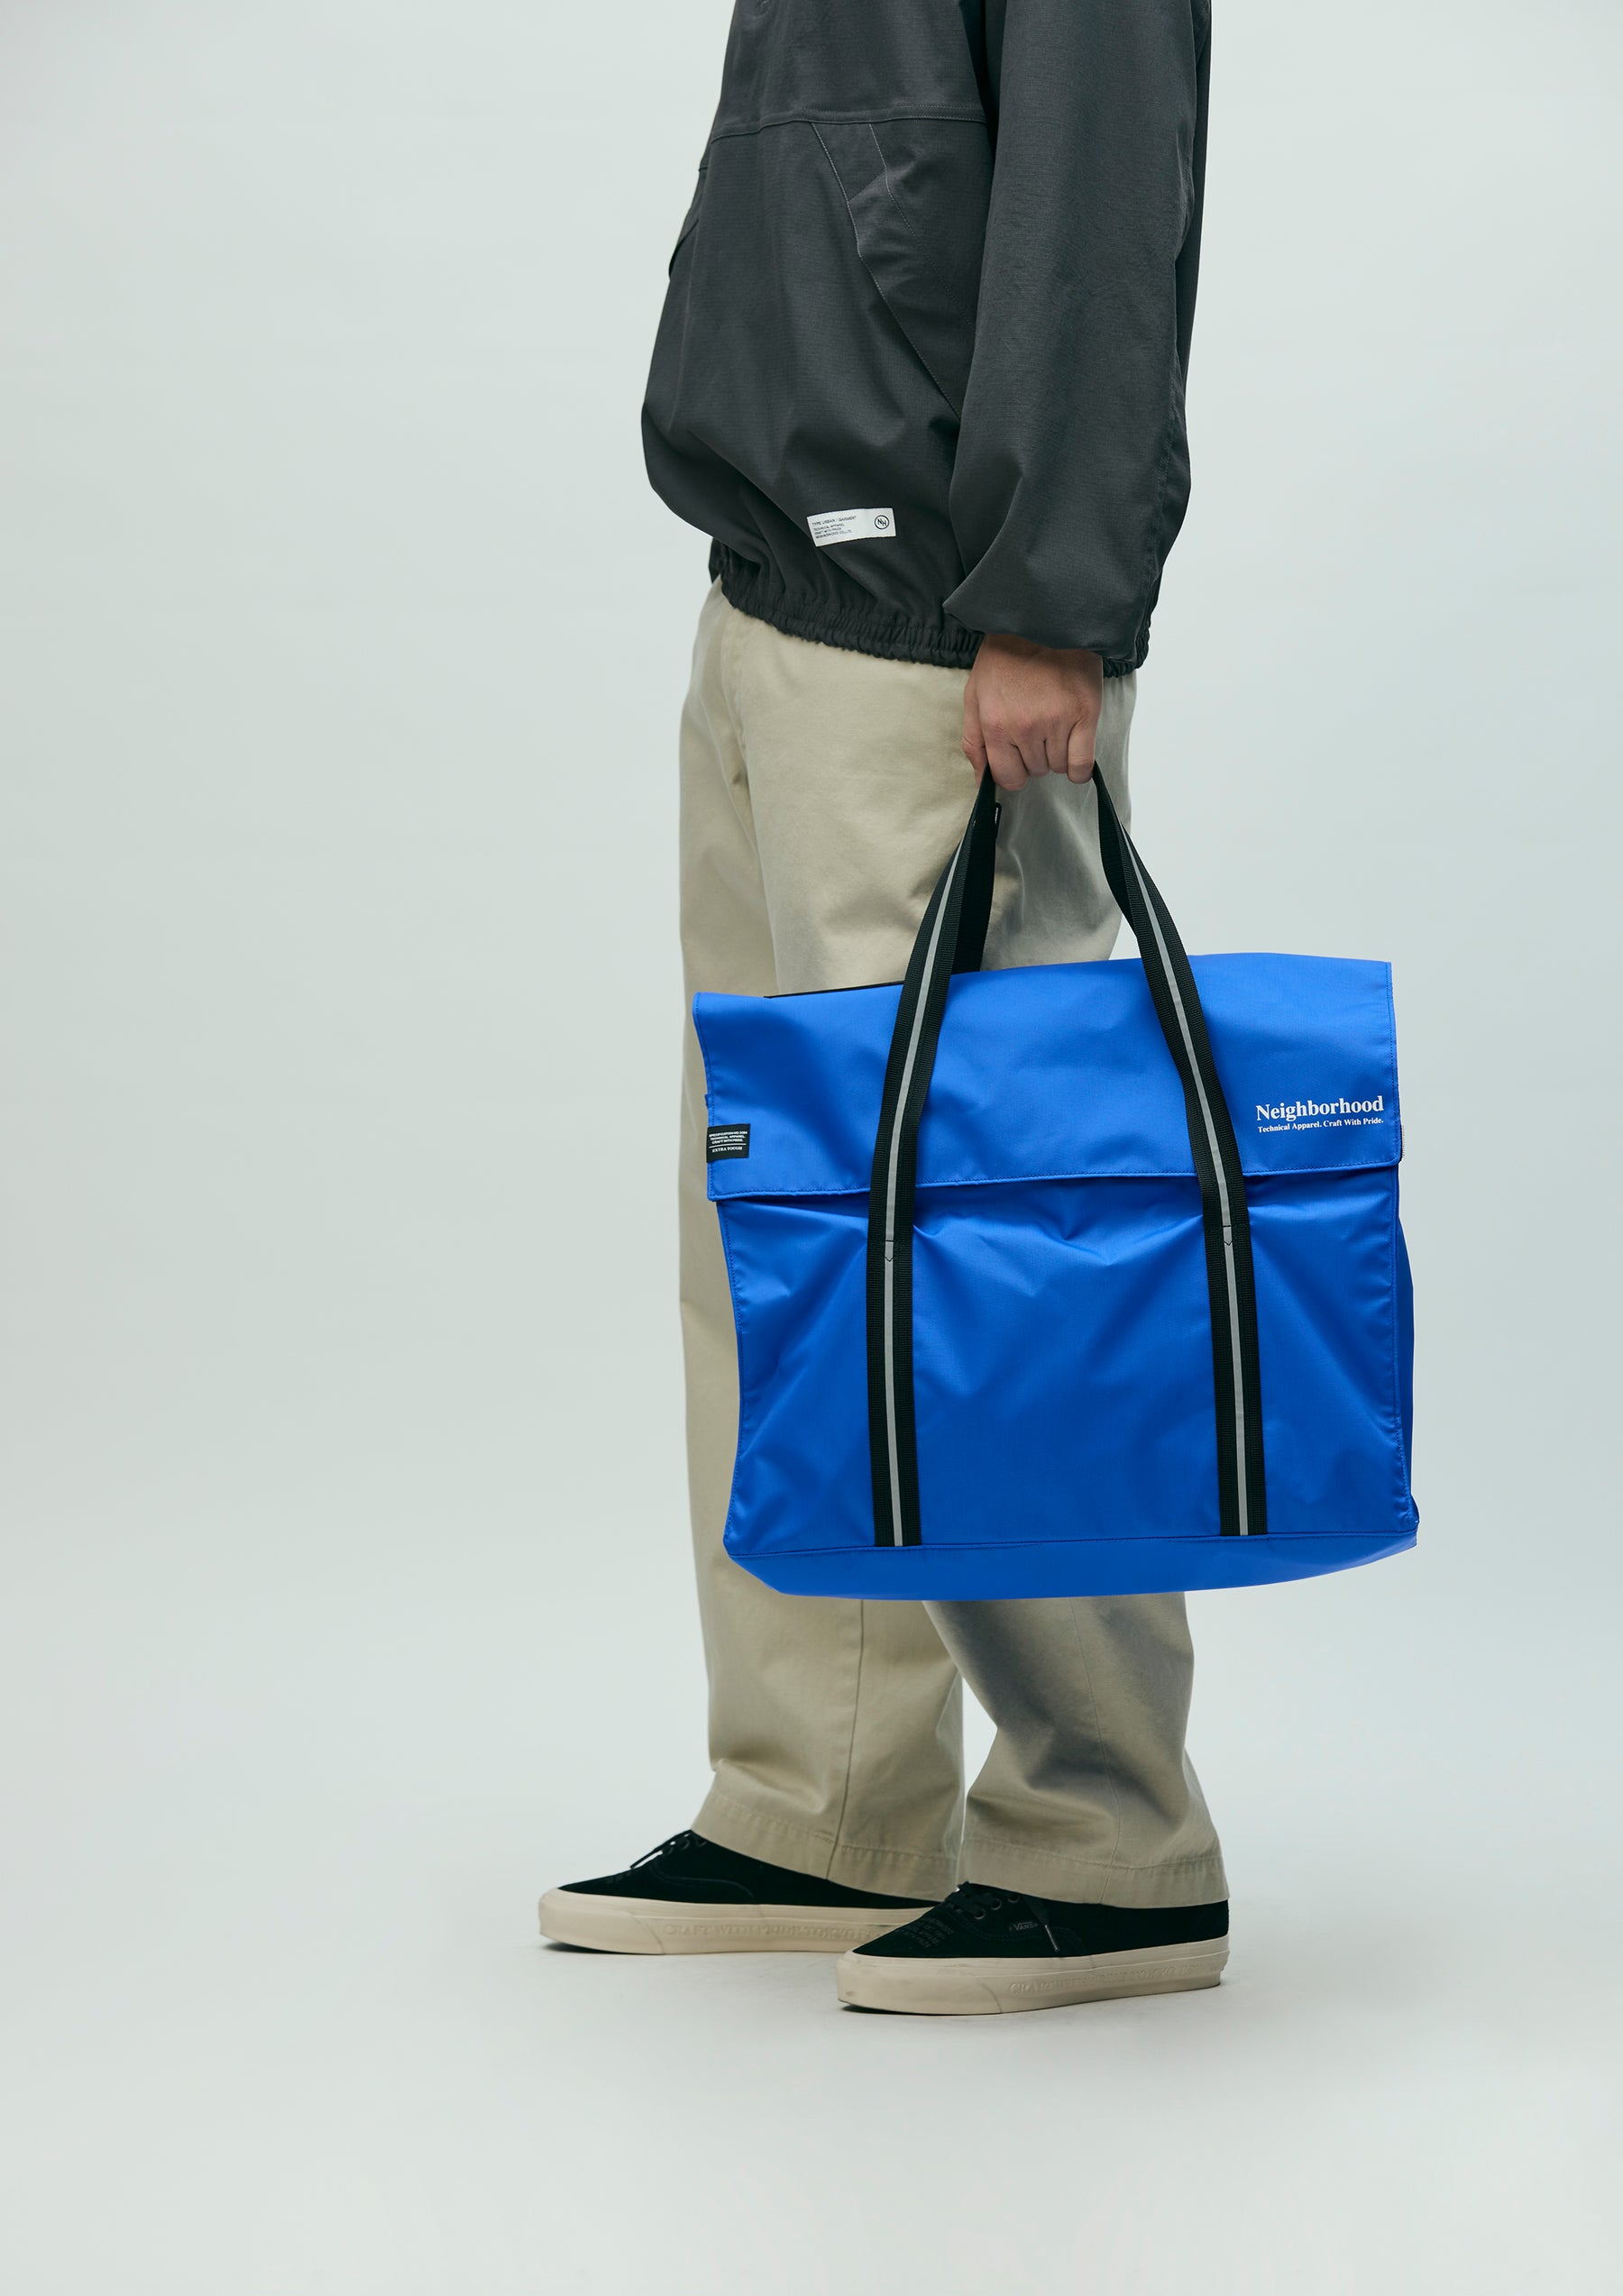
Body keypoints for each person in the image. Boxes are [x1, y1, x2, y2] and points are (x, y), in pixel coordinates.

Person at [540, 0, 1228, 2016]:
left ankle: (1111, 1834)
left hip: (945, 652)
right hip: (775, 607)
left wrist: (1053, 601)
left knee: (987, 1257)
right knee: (780, 1249)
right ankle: (821, 1798)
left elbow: (1098, 215)